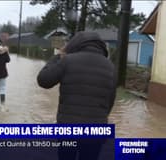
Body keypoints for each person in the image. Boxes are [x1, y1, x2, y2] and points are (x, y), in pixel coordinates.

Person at [37, 31, 117, 160]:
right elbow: (110, 101)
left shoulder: (67, 60)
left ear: (76, 44)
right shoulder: (110, 67)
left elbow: (44, 81)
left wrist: (58, 56)